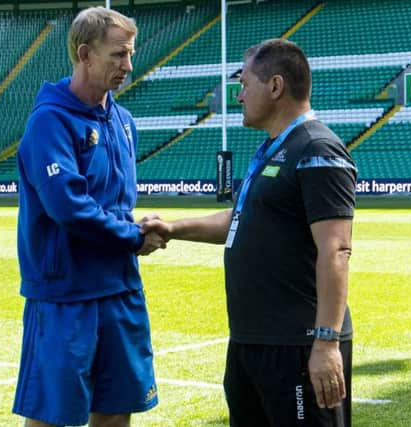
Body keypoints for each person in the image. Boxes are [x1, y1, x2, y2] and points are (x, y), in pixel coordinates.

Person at [142, 38, 357, 427]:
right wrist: (172, 228)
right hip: (251, 342)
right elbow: (242, 219)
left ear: (275, 87)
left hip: (297, 344)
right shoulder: (274, 149)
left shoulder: (317, 148)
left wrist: (326, 342)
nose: (238, 96)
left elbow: (337, 249)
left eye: (244, 84)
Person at [12, 7, 164, 427]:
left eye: (130, 54)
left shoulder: (124, 121)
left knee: (117, 411)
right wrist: (133, 237)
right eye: (117, 55)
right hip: (65, 295)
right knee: (54, 418)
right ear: (85, 54)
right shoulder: (49, 122)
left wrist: (135, 225)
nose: (128, 66)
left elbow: (116, 202)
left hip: (120, 289)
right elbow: (69, 208)